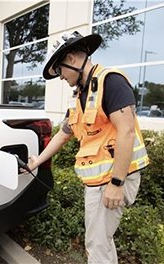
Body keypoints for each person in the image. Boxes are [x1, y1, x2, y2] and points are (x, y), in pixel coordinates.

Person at [27, 31, 149, 264]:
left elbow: (127, 132)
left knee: (97, 243)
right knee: (100, 240)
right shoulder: (81, 94)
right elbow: (64, 134)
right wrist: (38, 160)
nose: (61, 77)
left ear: (72, 59)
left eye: (60, 70)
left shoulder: (110, 81)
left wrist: (116, 184)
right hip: (99, 181)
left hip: (112, 180)